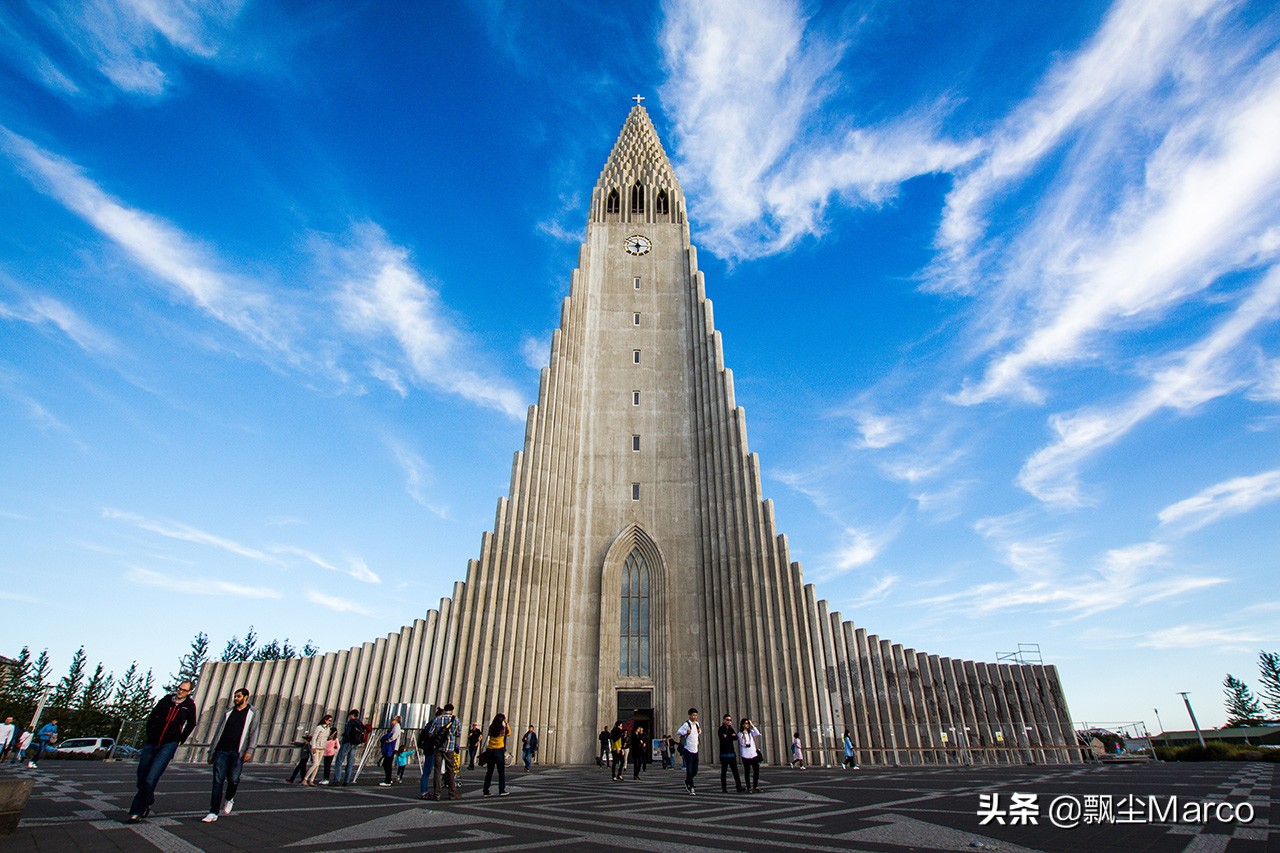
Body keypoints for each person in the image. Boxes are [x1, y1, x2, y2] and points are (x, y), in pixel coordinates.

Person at [128, 681, 198, 822]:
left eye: (184, 690)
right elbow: (152, 717)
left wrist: (181, 739)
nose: (180, 692)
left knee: (151, 777)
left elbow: (192, 723)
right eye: (179, 689)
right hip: (153, 741)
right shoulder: (165, 701)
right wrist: (150, 734)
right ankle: (148, 798)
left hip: (169, 744)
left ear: (190, 692)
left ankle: (136, 812)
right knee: (141, 774)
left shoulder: (189, 706)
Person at [203, 687, 259, 823]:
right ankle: (213, 811)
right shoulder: (228, 712)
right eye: (235, 696)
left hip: (238, 752)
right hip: (221, 750)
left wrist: (250, 749)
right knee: (217, 781)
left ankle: (229, 798)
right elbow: (218, 732)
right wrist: (212, 752)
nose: (235, 699)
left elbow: (254, 732)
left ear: (246, 697)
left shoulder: (252, 713)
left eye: (238, 696)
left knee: (233, 780)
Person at [429, 703, 460, 800]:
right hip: (449, 748)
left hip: (438, 748)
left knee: (437, 770)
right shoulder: (455, 720)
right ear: (452, 710)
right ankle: (452, 793)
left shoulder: (437, 719)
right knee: (450, 770)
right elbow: (458, 733)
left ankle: (437, 794)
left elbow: (431, 733)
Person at [481, 713, 510, 797]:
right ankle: (501, 790)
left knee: (489, 772)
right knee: (501, 772)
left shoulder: (491, 727)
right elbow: (509, 733)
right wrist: (506, 723)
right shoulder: (502, 729)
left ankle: (486, 791)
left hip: (490, 750)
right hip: (499, 750)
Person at [676, 708, 701, 795]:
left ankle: (687, 781)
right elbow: (678, 731)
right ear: (690, 715)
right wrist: (686, 731)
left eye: (696, 715)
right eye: (693, 715)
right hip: (688, 749)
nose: (695, 717)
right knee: (689, 770)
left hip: (695, 749)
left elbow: (696, 734)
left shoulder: (697, 724)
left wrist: (699, 731)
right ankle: (691, 787)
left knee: (695, 770)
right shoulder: (686, 724)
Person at [335, 709, 363, 786]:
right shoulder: (359, 723)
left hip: (348, 742)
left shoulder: (351, 722)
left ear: (352, 715)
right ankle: (346, 780)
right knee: (350, 762)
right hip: (355, 743)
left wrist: (344, 736)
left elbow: (347, 732)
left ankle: (337, 779)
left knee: (339, 760)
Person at [718, 713, 745, 792]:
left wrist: (728, 736)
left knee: (735, 771)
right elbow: (724, 738)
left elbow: (735, 737)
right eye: (727, 720)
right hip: (724, 753)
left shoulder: (730, 729)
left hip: (731, 753)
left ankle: (738, 786)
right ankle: (724, 787)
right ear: (724, 720)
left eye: (730, 720)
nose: (729, 721)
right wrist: (730, 736)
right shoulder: (721, 729)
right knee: (724, 771)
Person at [305, 714, 333, 786]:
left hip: (322, 747)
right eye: (329, 720)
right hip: (316, 747)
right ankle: (305, 778)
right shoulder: (319, 727)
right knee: (315, 763)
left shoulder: (328, 728)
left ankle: (311, 780)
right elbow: (314, 737)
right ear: (325, 720)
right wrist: (313, 747)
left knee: (317, 765)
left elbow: (326, 738)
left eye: (330, 721)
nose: (329, 722)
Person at [738, 718, 763, 793]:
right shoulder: (740, 734)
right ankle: (749, 787)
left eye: (748, 723)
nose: (747, 725)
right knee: (747, 771)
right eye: (746, 723)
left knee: (756, 769)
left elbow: (758, 733)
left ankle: (756, 786)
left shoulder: (751, 732)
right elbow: (743, 743)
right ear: (742, 725)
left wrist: (752, 725)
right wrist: (743, 735)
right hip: (745, 755)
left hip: (753, 754)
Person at [378, 715, 402, 786]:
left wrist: (387, 740)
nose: (392, 722)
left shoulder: (396, 727)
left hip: (392, 747)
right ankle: (389, 779)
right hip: (393, 747)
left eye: (393, 720)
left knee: (387, 763)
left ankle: (387, 780)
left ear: (396, 721)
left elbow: (393, 737)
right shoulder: (395, 727)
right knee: (388, 763)